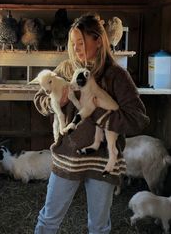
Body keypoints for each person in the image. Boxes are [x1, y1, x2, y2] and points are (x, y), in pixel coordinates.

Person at [34, 14, 150, 234]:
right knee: (49, 220)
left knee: (98, 226)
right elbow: (40, 99)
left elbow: (137, 119)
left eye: (81, 43)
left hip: (102, 161)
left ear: (98, 41)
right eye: (73, 44)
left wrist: (97, 114)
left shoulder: (116, 76)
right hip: (67, 158)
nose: (76, 49)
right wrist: (55, 102)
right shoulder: (66, 70)